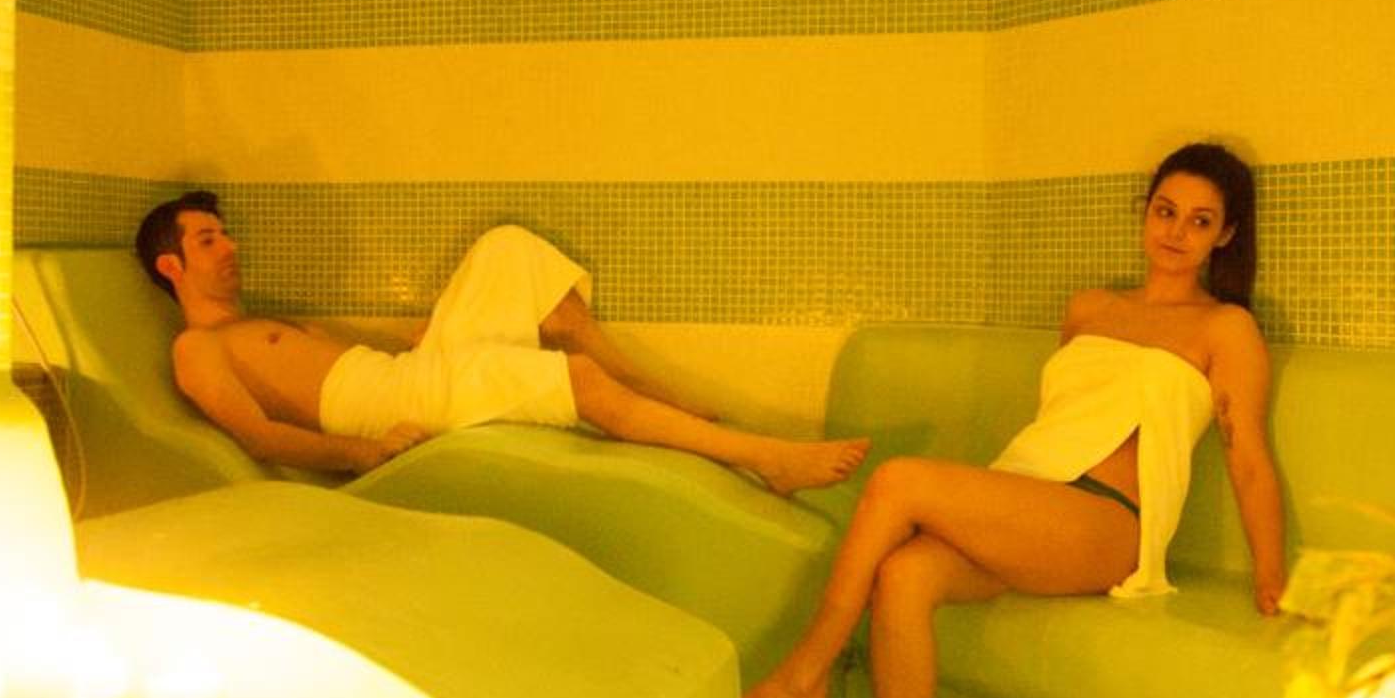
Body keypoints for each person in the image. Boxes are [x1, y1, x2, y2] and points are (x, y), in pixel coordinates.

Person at [738, 142, 1289, 698]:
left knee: (898, 481)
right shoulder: (1089, 309)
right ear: (1145, 213)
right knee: (904, 576)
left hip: (1106, 522)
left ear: (1224, 235)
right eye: (1165, 211)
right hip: (1032, 500)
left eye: (1199, 220)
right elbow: (1061, 421)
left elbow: (1247, 458)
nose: (1175, 232)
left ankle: (802, 678)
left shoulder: (1225, 329)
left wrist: (1271, 579)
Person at [138, 192, 868, 493]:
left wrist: (427, 336)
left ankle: (650, 389)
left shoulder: (255, 322)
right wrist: (364, 451)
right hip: (390, 410)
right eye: (208, 240)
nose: (230, 247)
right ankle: (763, 457)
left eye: (225, 233)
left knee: (507, 249)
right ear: (171, 266)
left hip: (411, 373)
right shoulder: (197, 350)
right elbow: (259, 437)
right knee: (575, 380)